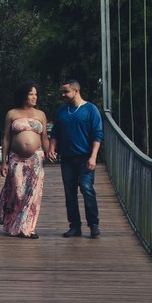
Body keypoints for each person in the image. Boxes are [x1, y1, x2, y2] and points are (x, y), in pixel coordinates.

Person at [0, 82, 49, 239]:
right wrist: (4, 161)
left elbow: (44, 138)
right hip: (16, 158)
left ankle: (28, 229)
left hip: (36, 158)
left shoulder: (41, 115)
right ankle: (13, 224)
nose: (34, 97)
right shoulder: (12, 114)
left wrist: (50, 151)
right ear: (23, 95)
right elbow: (7, 138)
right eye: (31, 94)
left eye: (36, 94)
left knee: (33, 193)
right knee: (18, 192)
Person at [47, 79, 103, 238]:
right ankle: (75, 226)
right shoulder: (62, 111)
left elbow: (97, 134)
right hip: (67, 159)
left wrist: (93, 157)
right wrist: (52, 148)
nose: (63, 95)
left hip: (85, 158)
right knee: (69, 193)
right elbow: (55, 132)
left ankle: (93, 224)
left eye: (66, 92)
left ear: (76, 91)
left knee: (86, 188)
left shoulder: (91, 109)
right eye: (62, 92)